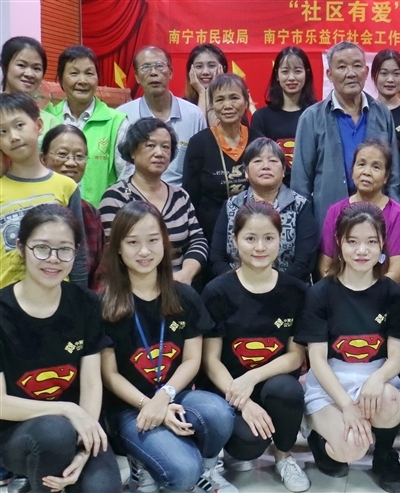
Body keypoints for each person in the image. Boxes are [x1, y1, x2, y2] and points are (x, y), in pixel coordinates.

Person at [99, 201, 236, 493]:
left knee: (220, 413)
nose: (144, 251)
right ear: (118, 248)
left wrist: (165, 397)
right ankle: (142, 463)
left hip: (176, 392)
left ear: (165, 242)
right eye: (133, 242)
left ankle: (207, 470)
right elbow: (110, 375)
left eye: (152, 240)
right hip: (129, 407)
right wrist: (150, 405)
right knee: (183, 473)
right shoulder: (105, 304)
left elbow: (192, 360)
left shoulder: (184, 295)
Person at [0, 204, 121, 493]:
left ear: (76, 252)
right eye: (42, 248)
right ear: (21, 247)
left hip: (79, 426)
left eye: (64, 249)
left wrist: (84, 448)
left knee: (102, 489)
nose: (53, 259)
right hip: (18, 432)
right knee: (54, 432)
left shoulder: (86, 303)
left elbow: (91, 384)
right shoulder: (3, 310)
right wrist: (67, 410)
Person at [295, 202, 400, 493]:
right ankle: (320, 439)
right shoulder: (320, 293)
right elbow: (317, 361)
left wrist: (377, 378)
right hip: (330, 382)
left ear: (382, 243)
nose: (362, 250)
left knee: (390, 400)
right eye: (352, 241)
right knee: (351, 449)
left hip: (375, 376)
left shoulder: (394, 294)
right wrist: (347, 406)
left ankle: (384, 455)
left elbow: (397, 358)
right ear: (339, 242)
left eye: (371, 242)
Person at [202, 201, 310, 492]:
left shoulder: (296, 291)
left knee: (288, 390)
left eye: (268, 238)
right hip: (229, 388)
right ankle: (229, 450)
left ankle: (284, 457)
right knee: (248, 444)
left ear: (280, 239)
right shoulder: (216, 291)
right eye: (250, 238)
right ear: (235, 240)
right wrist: (244, 401)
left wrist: (252, 377)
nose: (260, 247)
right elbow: (211, 361)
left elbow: (295, 356)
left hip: (271, 384)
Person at [292, 41, 400, 231]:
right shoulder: (311, 118)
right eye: (342, 67)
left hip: (377, 221)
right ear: (329, 74)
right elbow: (301, 184)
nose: (351, 73)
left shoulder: (382, 113)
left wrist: (394, 220)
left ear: (366, 72)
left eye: (357, 66)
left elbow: (394, 176)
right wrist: (307, 231)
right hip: (328, 222)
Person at [100, 118, 208, 286]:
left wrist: (185, 274)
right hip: (132, 286)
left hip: (180, 283)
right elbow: (111, 251)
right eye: (150, 145)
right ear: (133, 151)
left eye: (166, 147)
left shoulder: (180, 195)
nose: (159, 153)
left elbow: (198, 240)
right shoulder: (116, 197)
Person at [0, 93, 87, 288]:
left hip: (59, 295)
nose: (13, 137)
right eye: (2, 131)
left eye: (19, 125)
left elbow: (79, 252)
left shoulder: (66, 186)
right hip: (6, 299)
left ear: (38, 125)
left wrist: (79, 296)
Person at [209, 137, 318, 282]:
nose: (266, 166)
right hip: (236, 288)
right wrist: (239, 286)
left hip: (288, 288)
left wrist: (273, 287)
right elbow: (217, 259)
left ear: (283, 170)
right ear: (246, 172)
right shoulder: (231, 206)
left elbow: (304, 262)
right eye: (257, 161)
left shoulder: (300, 206)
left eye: (273, 161)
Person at [318, 139, 400, 284]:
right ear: (352, 171)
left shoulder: (399, 214)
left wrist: (365, 292)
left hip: (383, 294)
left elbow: (398, 273)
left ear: (386, 177)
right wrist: (345, 292)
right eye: (361, 164)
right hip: (340, 293)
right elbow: (325, 268)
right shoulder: (335, 211)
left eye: (376, 167)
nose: (366, 172)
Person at [43, 46, 128, 206]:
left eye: (89, 73)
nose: (82, 81)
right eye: (74, 73)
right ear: (60, 79)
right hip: (53, 214)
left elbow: (126, 176)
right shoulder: (48, 119)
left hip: (101, 215)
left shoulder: (116, 121)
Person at [184, 73, 262, 243]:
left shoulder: (258, 141)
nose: (227, 105)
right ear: (212, 105)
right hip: (209, 232)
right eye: (220, 100)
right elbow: (190, 194)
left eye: (234, 98)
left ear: (246, 102)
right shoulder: (199, 143)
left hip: (254, 229)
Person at [117, 46, 207, 186]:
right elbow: (119, 167)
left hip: (180, 195)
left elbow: (201, 166)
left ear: (170, 72)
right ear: (137, 77)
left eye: (159, 66)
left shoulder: (194, 115)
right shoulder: (122, 116)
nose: (153, 73)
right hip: (135, 195)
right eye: (146, 67)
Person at [42, 125, 104, 289]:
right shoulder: (28, 205)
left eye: (79, 156)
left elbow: (99, 271)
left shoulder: (90, 213)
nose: (71, 163)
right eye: (62, 154)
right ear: (43, 159)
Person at [251, 46, 317, 187]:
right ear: (277, 75)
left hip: (311, 189)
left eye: (297, 71)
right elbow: (259, 160)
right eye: (285, 72)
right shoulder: (261, 117)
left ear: (307, 74)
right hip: (273, 190)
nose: (291, 78)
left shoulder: (317, 114)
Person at [0, 36, 61, 146]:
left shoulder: (50, 121)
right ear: (4, 67)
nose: (29, 74)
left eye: (36, 68)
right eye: (21, 65)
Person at [371, 50, 400, 177]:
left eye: (396, 74)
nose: (390, 80)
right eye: (384, 73)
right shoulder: (364, 111)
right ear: (374, 76)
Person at [184, 43, 228, 126]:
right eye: (199, 66)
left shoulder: (232, 102)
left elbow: (216, 131)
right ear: (190, 71)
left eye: (211, 66)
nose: (205, 72)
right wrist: (202, 93)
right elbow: (197, 131)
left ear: (223, 69)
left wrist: (212, 91)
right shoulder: (183, 105)